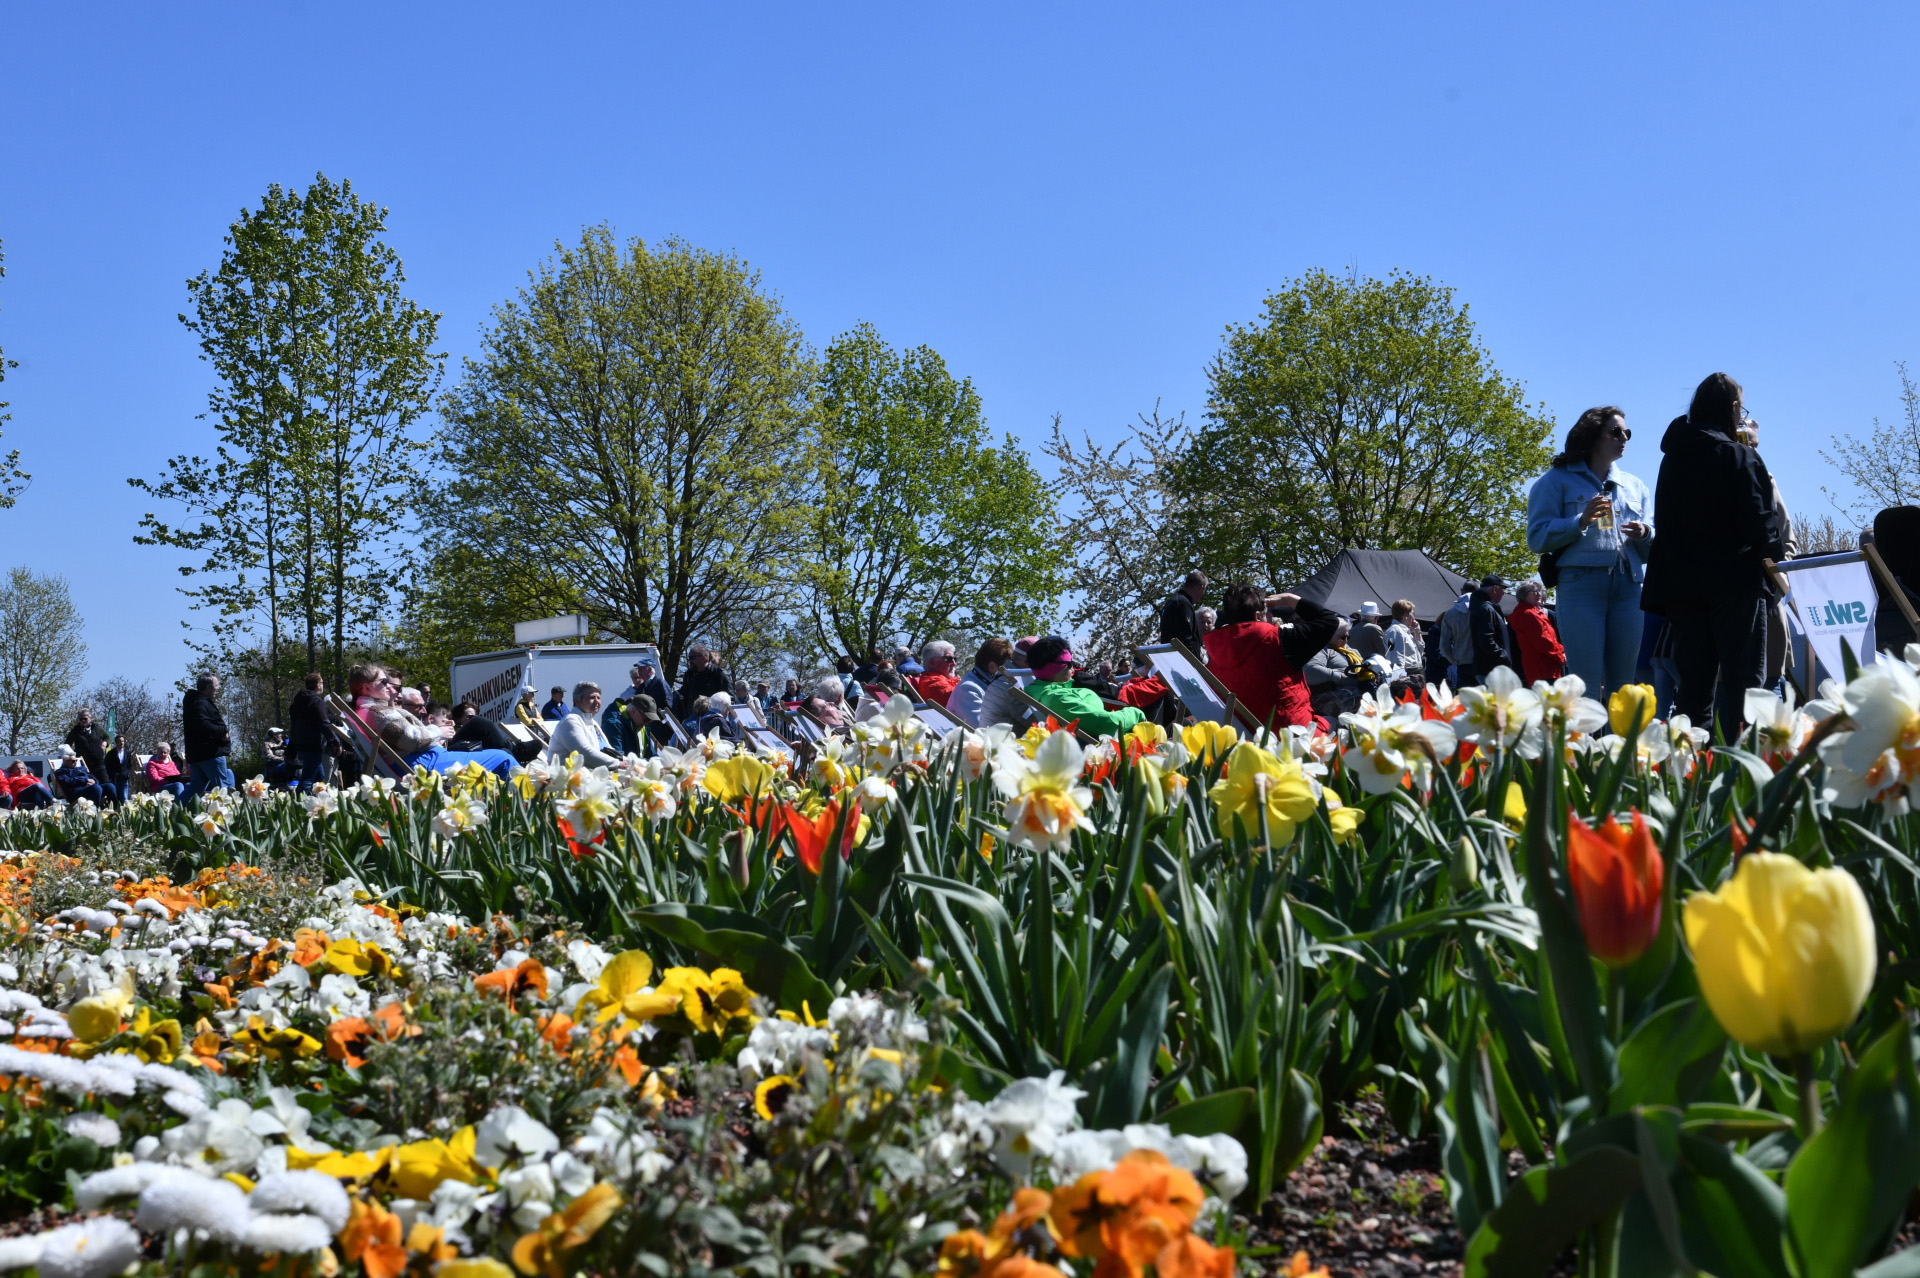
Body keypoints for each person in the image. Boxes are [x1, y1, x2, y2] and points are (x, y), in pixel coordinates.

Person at [1641, 373, 1789, 739]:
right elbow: (1762, 527)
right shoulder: (1738, 455)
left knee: (1692, 689)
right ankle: (1741, 773)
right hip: (1734, 584)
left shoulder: (1672, 458)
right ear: (1733, 409)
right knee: (1745, 687)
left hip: (1682, 587)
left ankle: (1692, 774)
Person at [1527, 405, 1655, 703]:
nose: (1624, 438)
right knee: (1583, 685)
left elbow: (1652, 546)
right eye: (1615, 432)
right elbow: (1537, 537)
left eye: (1627, 433)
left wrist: (1647, 534)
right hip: (1580, 586)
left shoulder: (1635, 487)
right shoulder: (1555, 481)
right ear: (1592, 436)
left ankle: (1620, 749)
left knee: (1624, 687)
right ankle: (1580, 749)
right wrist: (1580, 521)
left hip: (1629, 588)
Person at [1205, 584, 1340, 729]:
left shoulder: (1214, 649)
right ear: (1258, 616)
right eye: (1268, 612)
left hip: (1242, 734)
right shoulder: (1280, 639)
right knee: (1338, 723)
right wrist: (1290, 599)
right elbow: (1329, 621)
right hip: (1290, 734)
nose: (1272, 616)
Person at [1022, 636, 1145, 737]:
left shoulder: (1051, 689)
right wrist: (1136, 713)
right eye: (1070, 663)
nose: (1073, 667)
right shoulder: (1058, 699)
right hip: (1107, 748)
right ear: (1054, 669)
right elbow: (1108, 725)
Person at [1304, 620, 1371, 721]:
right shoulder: (1323, 650)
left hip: (1359, 688)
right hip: (1336, 693)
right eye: (1342, 637)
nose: (1346, 641)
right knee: (1362, 701)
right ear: (1329, 635)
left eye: (1348, 637)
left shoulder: (1351, 651)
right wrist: (1339, 677)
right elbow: (1310, 671)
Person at [541, 681, 621, 767]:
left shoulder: (592, 723)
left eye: (598, 698)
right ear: (577, 701)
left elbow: (610, 751)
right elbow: (583, 753)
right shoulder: (570, 721)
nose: (596, 701)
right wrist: (618, 764)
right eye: (592, 697)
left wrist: (631, 762)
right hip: (566, 777)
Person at [181, 674, 235, 800]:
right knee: (221, 788)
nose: (218, 688)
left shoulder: (193, 702)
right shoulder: (201, 703)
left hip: (197, 754)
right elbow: (203, 724)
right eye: (216, 685)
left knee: (196, 788)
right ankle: (225, 815)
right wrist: (222, 732)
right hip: (210, 754)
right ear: (208, 687)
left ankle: (175, 812)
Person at [1509, 581, 1566, 685]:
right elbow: (1543, 642)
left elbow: (1550, 640)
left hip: (1545, 668)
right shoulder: (1528, 614)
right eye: (1535, 591)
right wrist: (1562, 657)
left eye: (1540, 591)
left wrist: (1562, 652)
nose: (1539, 594)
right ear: (1524, 594)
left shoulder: (1533, 612)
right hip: (1543, 669)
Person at [287, 673, 337, 793]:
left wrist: (292, 746)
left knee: (320, 778)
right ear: (318, 685)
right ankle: (297, 806)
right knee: (307, 779)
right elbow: (324, 723)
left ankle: (319, 801)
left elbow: (294, 725)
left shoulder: (297, 703)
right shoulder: (317, 701)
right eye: (322, 683)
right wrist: (334, 741)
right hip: (312, 744)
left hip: (300, 744)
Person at [949, 637, 1011, 727]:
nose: (1010, 672)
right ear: (992, 666)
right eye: (1007, 667)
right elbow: (981, 729)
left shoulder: (981, 684)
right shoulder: (968, 690)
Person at [980, 637, 1038, 729]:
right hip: (1000, 741)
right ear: (1027, 661)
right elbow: (1035, 723)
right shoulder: (1011, 683)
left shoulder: (1007, 675)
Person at [1470, 575, 1515, 680]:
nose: (1503, 593)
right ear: (1495, 589)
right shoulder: (1486, 609)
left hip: (1489, 670)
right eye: (1502, 589)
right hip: (1491, 671)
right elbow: (1486, 640)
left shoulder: (1484, 606)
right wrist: (1504, 657)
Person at [675, 646, 730, 719]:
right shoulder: (689, 675)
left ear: (703, 658)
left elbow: (729, 698)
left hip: (714, 719)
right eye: (689, 658)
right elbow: (685, 697)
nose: (690, 660)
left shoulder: (719, 674)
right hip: (693, 718)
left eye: (692, 657)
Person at [1159, 571, 1207, 649]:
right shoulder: (1183, 604)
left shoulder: (1173, 601)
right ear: (1200, 588)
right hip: (1182, 657)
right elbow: (1186, 638)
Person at [1438, 591, 1476, 687]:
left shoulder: (1450, 614)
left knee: (1463, 699)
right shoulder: (1483, 609)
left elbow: (1443, 645)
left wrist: (1454, 660)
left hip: (1462, 663)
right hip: (1481, 663)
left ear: (1462, 590)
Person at [1384, 600, 1425, 690]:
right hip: (1407, 677)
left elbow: (1420, 654)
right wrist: (1399, 684)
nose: (1414, 617)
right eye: (1412, 613)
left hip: (1414, 675)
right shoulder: (1396, 631)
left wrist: (1417, 633)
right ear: (1405, 615)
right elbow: (1397, 659)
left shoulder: (1405, 632)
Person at [64, 709, 108, 782]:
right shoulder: (75, 730)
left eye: (85, 718)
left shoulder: (97, 728)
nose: (83, 720)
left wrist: (104, 743)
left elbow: (107, 736)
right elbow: (67, 744)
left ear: (89, 718)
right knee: (90, 784)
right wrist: (72, 756)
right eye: (81, 719)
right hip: (84, 763)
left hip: (98, 762)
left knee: (106, 783)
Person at [100, 734, 130, 804]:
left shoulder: (127, 753)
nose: (121, 743)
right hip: (115, 779)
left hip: (124, 779)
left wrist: (128, 774)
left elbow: (129, 765)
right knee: (115, 798)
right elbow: (106, 766)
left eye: (123, 741)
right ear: (116, 742)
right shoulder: (110, 754)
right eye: (119, 741)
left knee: (125, 799)